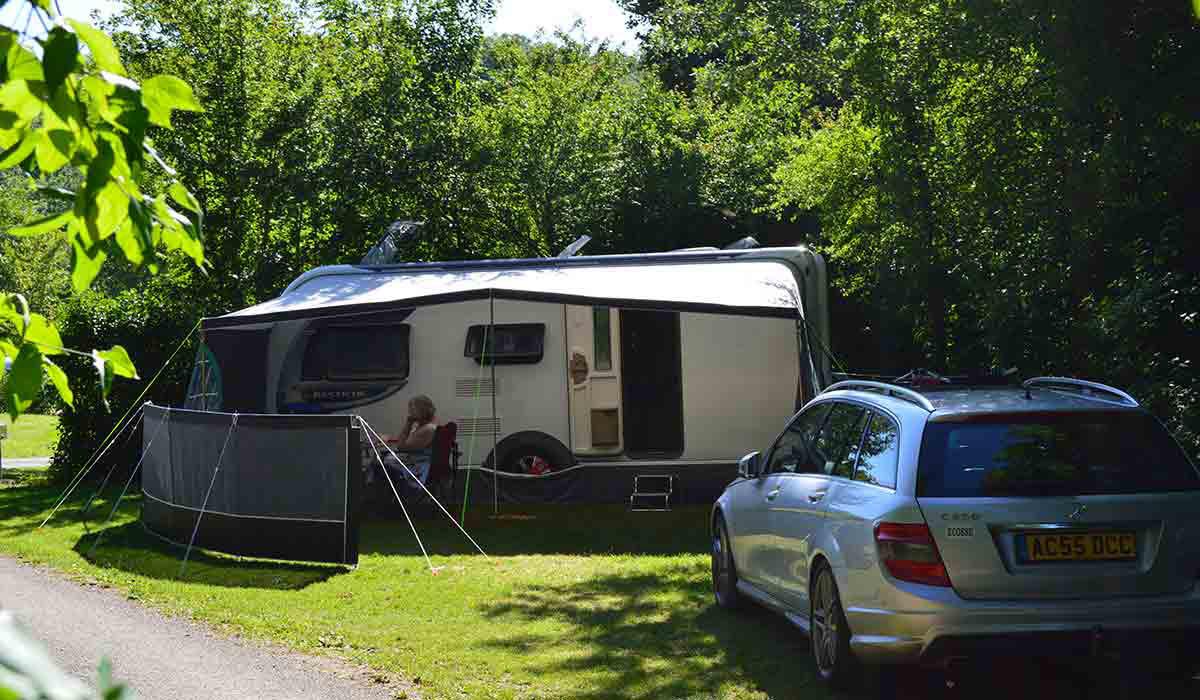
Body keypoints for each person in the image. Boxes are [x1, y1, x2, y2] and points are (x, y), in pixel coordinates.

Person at [385, 395, 438, 487]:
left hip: (418, 466)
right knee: (385, 459)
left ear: (422, 410)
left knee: (382, 462)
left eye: (412, 410)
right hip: (417, 460)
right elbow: (407, 442)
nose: (409, 413)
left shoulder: (427, 429)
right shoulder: (423, 426)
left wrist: (408, 424)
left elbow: (401, 447)